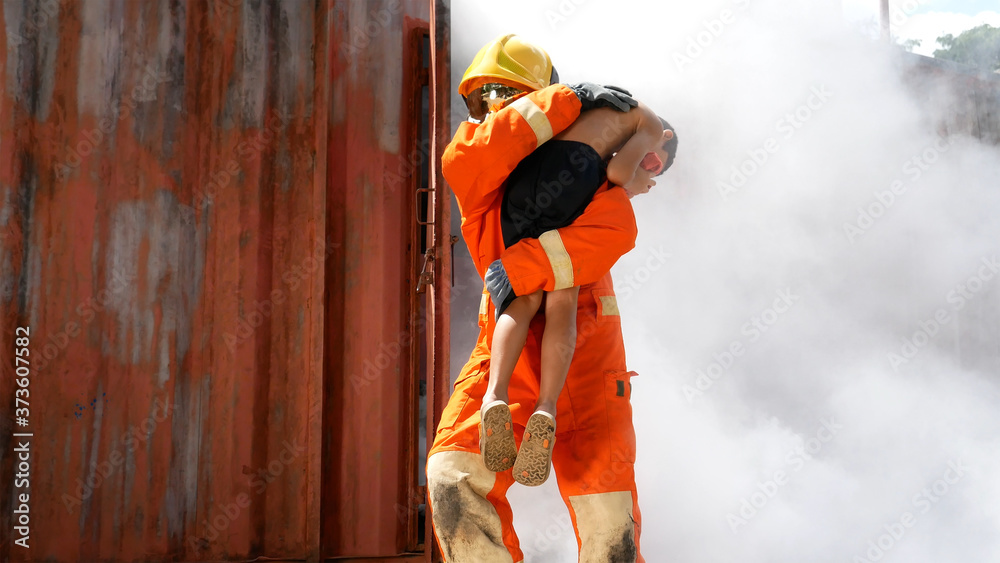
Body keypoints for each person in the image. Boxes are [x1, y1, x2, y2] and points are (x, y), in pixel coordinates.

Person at [427, 33, 677, 562]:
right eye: (482, 97)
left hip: (586, 359)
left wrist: (521, 268)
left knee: (608, 518)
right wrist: (571, 97)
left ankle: (526, 405)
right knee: (453, 475)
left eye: (504, 93)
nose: (492, 107)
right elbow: (486, 146)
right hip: (512, 351)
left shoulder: (581, 176)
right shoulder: (474, 160)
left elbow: (614, 230)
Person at [480, 101, 676, 488]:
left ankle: (494, 395)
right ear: (661, 137)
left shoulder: (594, 110)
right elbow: (618, 171)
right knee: (563, 303)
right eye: (654, 162)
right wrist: (635, 182)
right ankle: (547, 407)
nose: (649, 167)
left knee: (524, 298)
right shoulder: (651, 126)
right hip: (568, 195)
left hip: (528, 191)